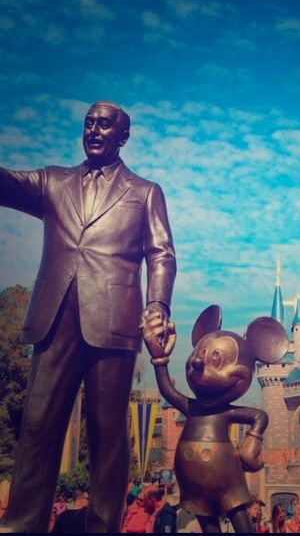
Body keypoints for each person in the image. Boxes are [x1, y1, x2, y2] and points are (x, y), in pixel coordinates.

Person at [0, 100, 176, 533]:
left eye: (104, 125)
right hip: (53, 319)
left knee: (107, 437)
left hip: (115, 324)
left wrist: (157, 305)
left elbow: (161, 254)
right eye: (89, 123)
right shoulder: (53, 181)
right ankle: (20, 526)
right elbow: (7, 183)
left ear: (123, 136)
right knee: (37, 427)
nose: (94, 130)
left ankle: (101, 528)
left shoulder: (144, 191)